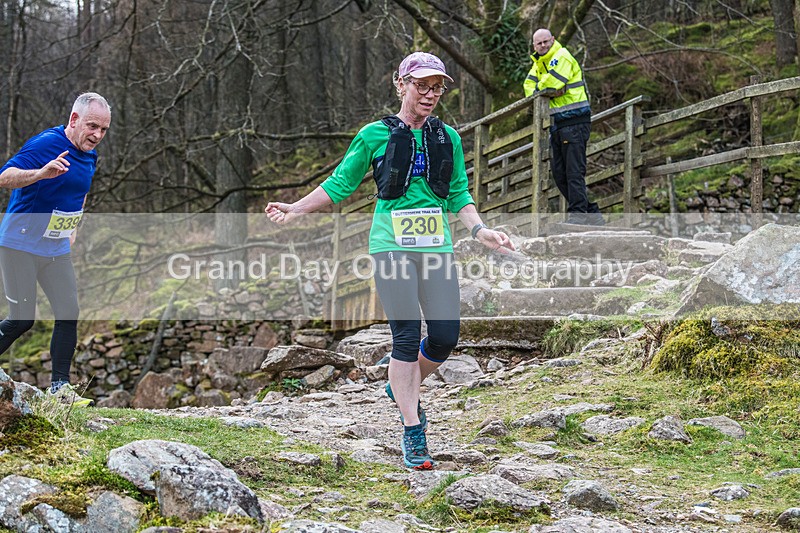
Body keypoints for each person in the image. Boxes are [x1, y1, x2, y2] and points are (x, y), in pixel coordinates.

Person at [266, 52, 515, 469]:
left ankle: (400, 387)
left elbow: (458, 193)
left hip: (436, 247)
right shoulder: (373, 135)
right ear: (401, 85)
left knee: (444, 337)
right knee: (405, 337)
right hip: (390, 246)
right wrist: (296, 208)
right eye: (422, 86)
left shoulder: (449, 138)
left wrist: (480, 231)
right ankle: (413, 429)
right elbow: (340, 183)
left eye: (437, 88)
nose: (430, 95)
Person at [0, 92, 111, 406]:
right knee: (22, 320)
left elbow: (80, 190)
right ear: (74, 119)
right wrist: (39, 174)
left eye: (104, 129)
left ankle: (60, 389)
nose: (97, 135)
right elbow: (5, 177)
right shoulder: (46, 144)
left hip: (55, 247)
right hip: (19, 244)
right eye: (92, 126)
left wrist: (74, 227)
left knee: (68, 312)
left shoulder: (90, 154)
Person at [523, 29, 604, 226]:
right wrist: (543, 90)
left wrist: (543, 88)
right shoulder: (538, 64)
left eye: (546, 41)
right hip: (556, 124)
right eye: (539, 43)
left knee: (574, 171)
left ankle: (578, 214)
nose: (543, 45)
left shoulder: (562, 56)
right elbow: (528, 87)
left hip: (574, 121)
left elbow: (552, 83)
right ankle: (592, 214)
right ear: (534, 46)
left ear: (553, 39)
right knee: (559, 174)